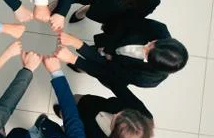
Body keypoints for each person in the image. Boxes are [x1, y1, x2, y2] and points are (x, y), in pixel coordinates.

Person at [55, 19, 189, 88]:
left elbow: (109, 72)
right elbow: (128, 24)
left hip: (113, 67)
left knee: (93, 66)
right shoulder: (159, 29)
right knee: (96, 50)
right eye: (151, 43)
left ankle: (82, 67)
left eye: (148, 55)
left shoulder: (149, 79)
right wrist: (108, 48)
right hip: (114, 42)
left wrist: (77, 54)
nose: (145, 47)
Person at [53, 84, 154, 138]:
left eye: (115, 120)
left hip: (78, 127)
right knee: (75, 99)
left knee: (65, 121)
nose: (115, 113)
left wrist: (68, 118)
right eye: (121, 112)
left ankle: (63, 113)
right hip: (88, 103)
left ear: (116, 136)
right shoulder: (144, 115)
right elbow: (119, 88)